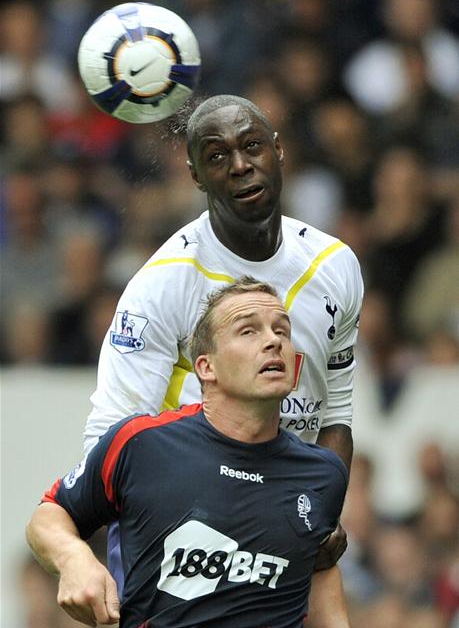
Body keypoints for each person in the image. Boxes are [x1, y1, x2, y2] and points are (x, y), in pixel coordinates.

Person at [26, 280, 416, 628]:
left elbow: (312, 566)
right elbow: (50, 516)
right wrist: (74, 558)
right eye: (248, 330)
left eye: (281, 329)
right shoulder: (141, 445)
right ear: (205, 367)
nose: (273, 340)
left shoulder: (321, 474)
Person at [84, 94, 364, 592]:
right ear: (195, 175)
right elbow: (109, 438)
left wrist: (320, 513)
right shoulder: (163, 283)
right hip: (178, 534)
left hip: (278, 526)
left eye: (252, 146)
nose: (240, 166)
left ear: (278, 151)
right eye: (216, 156)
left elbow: (334, 415)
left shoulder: (336, 266)